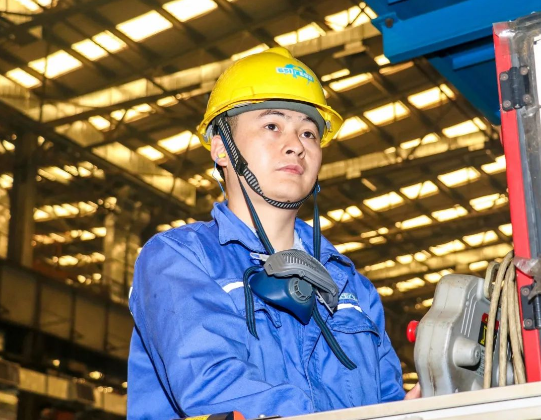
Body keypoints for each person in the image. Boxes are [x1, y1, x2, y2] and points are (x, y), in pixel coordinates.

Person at [127, 47, 420, 419]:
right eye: (272, 126)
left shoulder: (352, 288)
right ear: (221, 148)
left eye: (309, 133)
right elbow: (213, 384)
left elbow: (387, 401)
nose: (296, 145)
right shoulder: (179, 259)